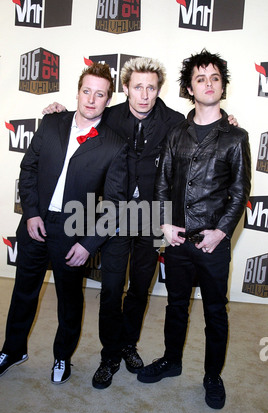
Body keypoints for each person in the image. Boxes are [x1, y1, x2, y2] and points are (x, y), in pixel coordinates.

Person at [43, 57, 238, 390]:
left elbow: (207, 126)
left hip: (154, 220)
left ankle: (128, 345)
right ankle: (109, 356)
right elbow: (81, 116)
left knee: (139, 290)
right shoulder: (110, 117)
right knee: (110, 290)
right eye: (137, 87)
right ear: (125, 89)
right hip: (113, 216)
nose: (144, 95)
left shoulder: (175, 122)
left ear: (159, 89)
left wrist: (229, 122)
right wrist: (57, 114)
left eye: (151, 87)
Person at [0, 63, 128, 384]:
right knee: (23, 292)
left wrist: (89, 244)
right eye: (86, 91)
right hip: (35, 222)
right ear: (77, 92)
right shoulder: (51, 123)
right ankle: (13, 349)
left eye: (99, 94)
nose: (91, 99)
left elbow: (116, 205)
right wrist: (31, 212)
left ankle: (62, 357)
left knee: (69, 300)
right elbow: (29, 169)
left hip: (74, 231)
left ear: (108, 99)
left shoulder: (115, 145)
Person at [137, 50, 251, 410]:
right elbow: (162, 181)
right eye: (201, 78)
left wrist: (221, 232)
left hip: (214, 242)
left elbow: (239, 191)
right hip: (177, 240)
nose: (208, 83)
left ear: (222, 85)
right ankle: (172, 361)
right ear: (190, 87)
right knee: (176, 306)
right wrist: (164, 226)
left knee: (215, 311)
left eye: (215, 77)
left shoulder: (235, 137)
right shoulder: (176, 133)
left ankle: (212, 376)